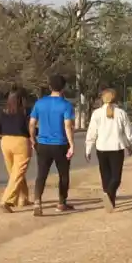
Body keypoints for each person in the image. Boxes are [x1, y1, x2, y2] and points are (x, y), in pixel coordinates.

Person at [29, 74, 76, 216]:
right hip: (61, 144)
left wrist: (33, 139)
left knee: (41, 174)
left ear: (50, 87)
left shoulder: (40, 103)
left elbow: (31, 124)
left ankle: (37, 201)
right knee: (63, 174)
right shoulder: (66, 105)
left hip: (42, 143)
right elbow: (68, 126)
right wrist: (72, 144)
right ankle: (62, 202)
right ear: (64, 87)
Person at [85, 89, 132, 212]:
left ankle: (109, 199)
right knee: (116, 177)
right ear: (115, 98)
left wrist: (88, 149)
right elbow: (129, 132)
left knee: (106, 176)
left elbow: (92, 133)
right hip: (116, 148)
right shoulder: (121, 113)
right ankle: (109, 194)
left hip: (101, 149)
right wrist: (130, 145)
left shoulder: (97, 113)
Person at [0, 88, 32, 212]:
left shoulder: (3, 112)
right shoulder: (26, 112)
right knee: (18, 173)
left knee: (14, 172)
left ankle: (23, 198)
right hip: (21, 142)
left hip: (5, 141)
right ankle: (6, 200)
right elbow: (30, 129)